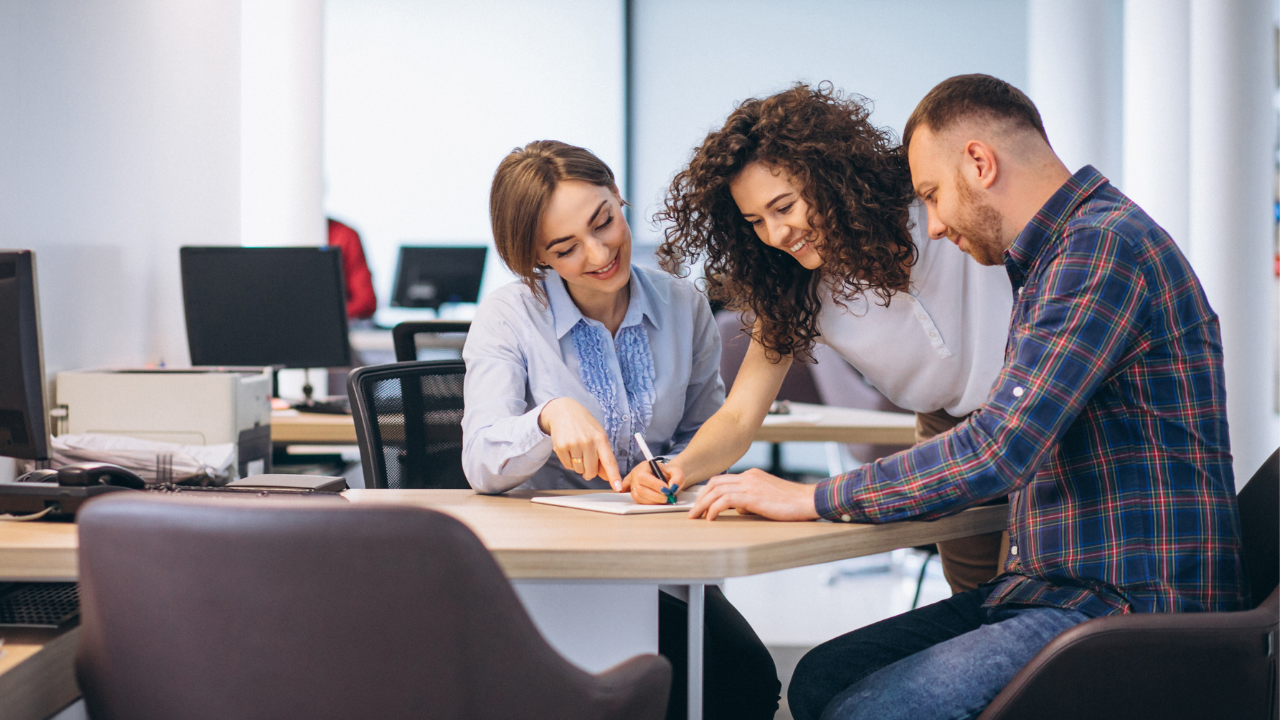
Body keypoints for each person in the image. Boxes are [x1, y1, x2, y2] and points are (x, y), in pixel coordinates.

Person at [686, 74, 1247, 720]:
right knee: (819, 680)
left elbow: (1001, 448)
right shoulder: (1050, 260)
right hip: (1054, 587)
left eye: (929, 194)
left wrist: (812, 497)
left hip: (1128, 604)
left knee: (864, 710)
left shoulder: (1099, 253)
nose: (931, 223)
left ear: (980, 163)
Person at [628, 83, 1013, 594]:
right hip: (943, 431)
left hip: (1029, 404)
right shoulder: (791, 287)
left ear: (827, 176)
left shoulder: (932, 207)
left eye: (783, 206)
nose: (776, 234)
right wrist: (674, 469)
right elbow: (741, 415)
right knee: (978, 606)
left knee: (1041, 600)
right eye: (755, 222)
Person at [460, 140, 779, 720]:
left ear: (618, 195)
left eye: (604, 221)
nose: (600, 251)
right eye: (566, 247)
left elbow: (704, 432)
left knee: (742, 683)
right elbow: (481, 459)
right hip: (545, 573)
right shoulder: (508, 316)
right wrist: (548, 416)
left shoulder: (684, 305)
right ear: (537, 257)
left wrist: (672, 473)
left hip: (656, 563)